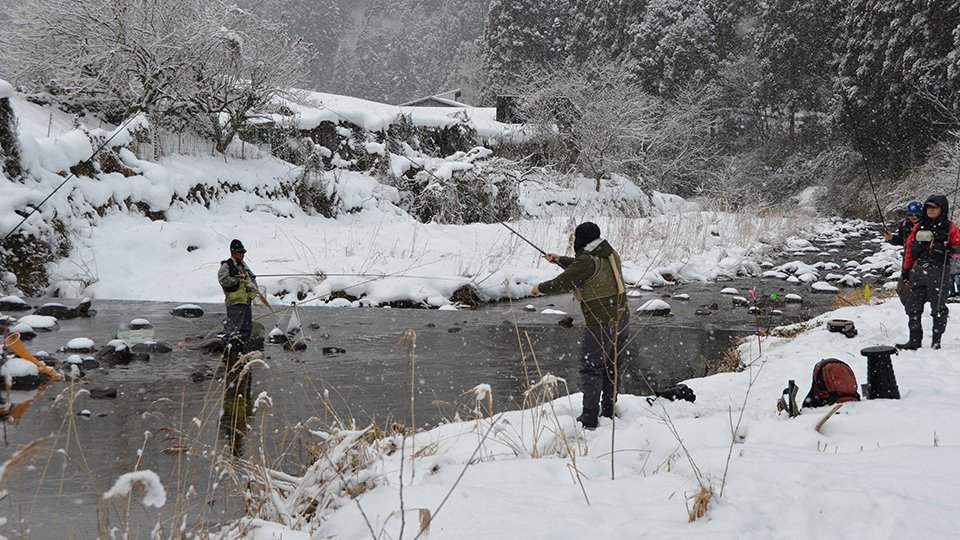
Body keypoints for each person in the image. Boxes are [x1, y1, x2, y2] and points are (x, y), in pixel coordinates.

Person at [531, 222, 630, 429]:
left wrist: (540, 288)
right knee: (612, 367)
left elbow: (565, 281)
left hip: (601, 322)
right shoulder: (609, 252)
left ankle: (589, 417)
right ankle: (609, 410)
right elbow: (581, 267)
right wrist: (559, 259)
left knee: (591, 368)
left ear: (581, 239)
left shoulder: (587, 261)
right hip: (621, 318)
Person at [898, 196, 960, 350]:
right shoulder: (918, 227)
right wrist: (906, 270)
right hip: (919, 270)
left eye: (934, 208)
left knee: (938, 308)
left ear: (942, 210)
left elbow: (958, 250)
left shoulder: (951, 228)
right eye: (928, 208)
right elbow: (909, 250)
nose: (930, 210)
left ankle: (936, 342)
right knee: (912, 306)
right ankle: (914, 340)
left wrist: (949, 249)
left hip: (940, 271)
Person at [218, 239, 259, 348]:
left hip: (246, 301)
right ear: (233, 253)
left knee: (246, 330)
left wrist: (253, 286)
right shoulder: (226, 266)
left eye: (243, 252)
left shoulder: (243, 265)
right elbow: (223, 281)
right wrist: (237, 279)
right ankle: (230, 352)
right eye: (240, 252)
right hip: (234, 303)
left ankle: (242, 351)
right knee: (234, 331)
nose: (242, 254)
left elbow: (252, 277)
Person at [885, 200, 923, 304]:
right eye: (911, 215)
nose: (914, 217)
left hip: (922, 259)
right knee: (902, 287)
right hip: (907, 258)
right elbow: (901, 240)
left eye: (916, 215)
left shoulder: (927, 224)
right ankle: (908, 304)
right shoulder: (904, 225)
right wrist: (892, 238)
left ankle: (918, 305)